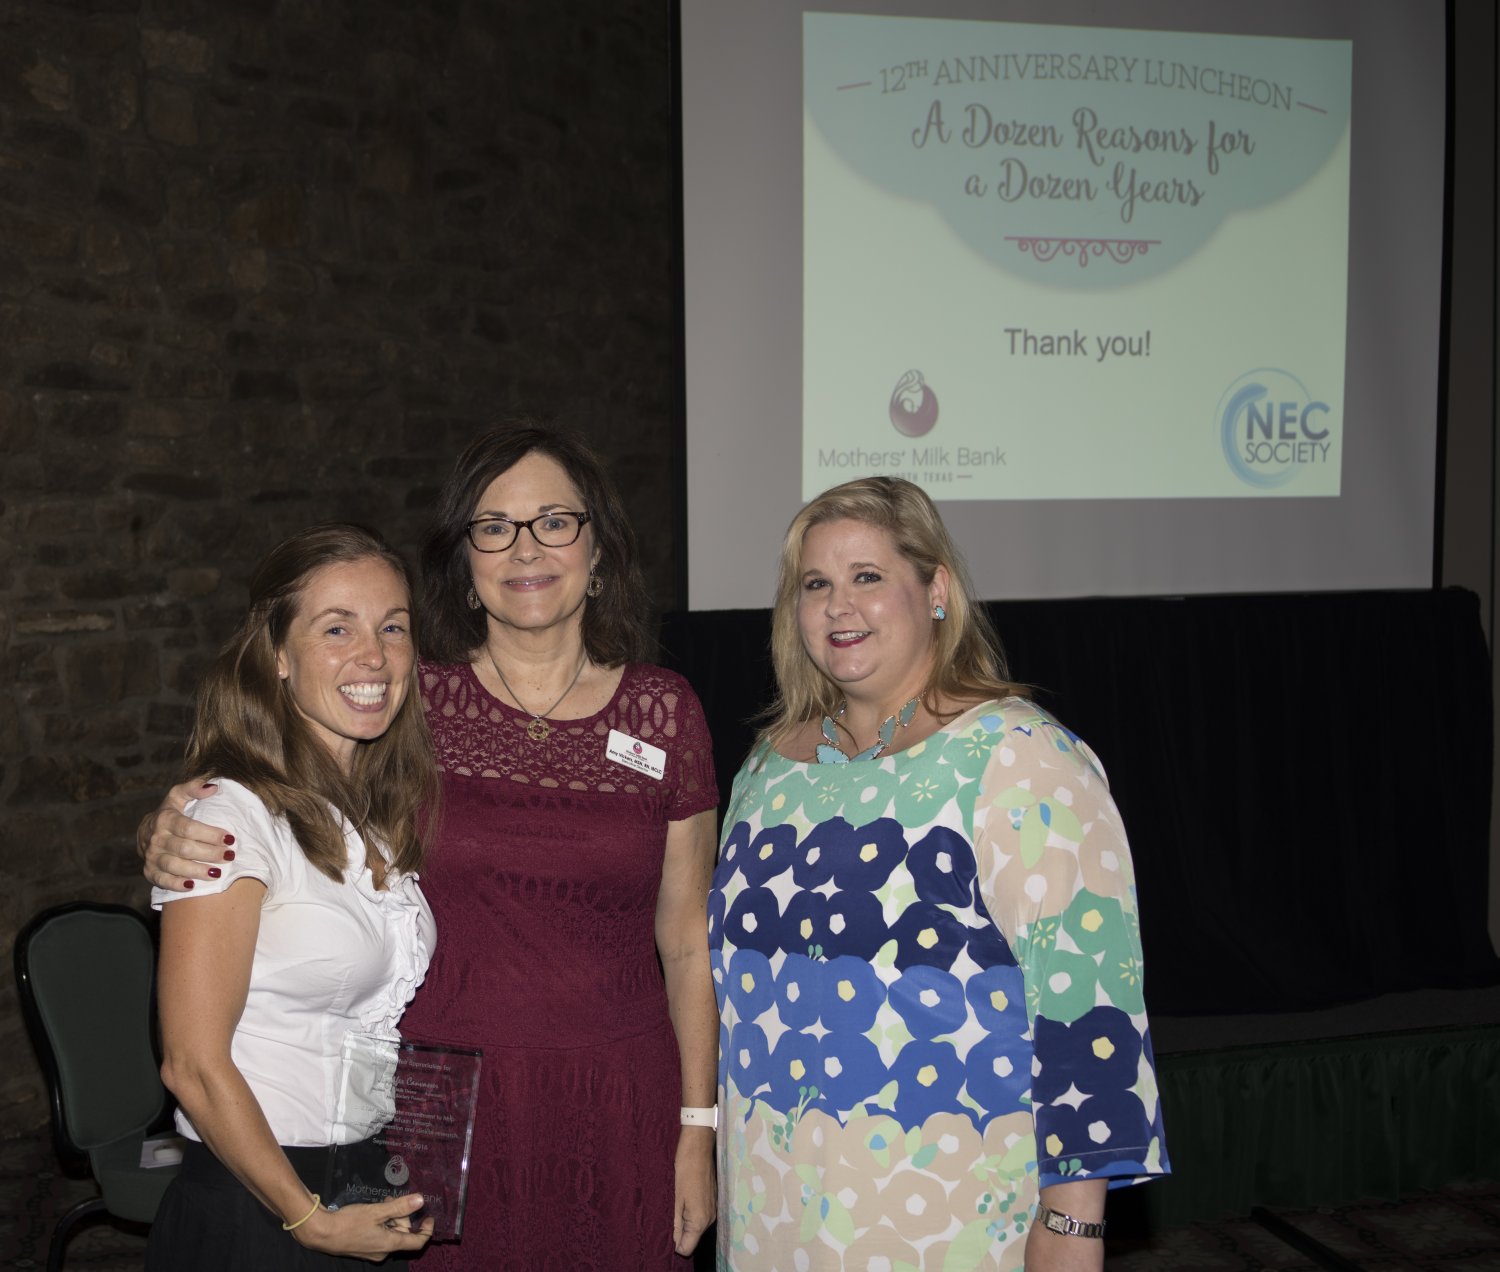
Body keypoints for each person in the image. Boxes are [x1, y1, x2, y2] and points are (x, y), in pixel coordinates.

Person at [141, 426, 720, 1270]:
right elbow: (286, 775)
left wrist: (697, 1129)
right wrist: (170, 818)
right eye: (495, 526)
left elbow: (687, 937)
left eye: (555, 521)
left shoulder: (663, 711)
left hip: (618, 1091)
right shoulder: (415, 701)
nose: (526, 548)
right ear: (467, 560)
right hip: (442, 1103)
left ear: (598, 548)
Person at [710, 477, 1168, 1271]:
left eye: (868, 577)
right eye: (815, 584)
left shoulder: (1022, 759)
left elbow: (1089, 1007)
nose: (837, 607)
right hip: (771, 1212)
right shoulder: (767, 768)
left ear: (936, 591)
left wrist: (1073, 1228)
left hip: (944, 1217)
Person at [146, 524, 438, 1270]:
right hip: (262, 1202)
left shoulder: (371, 814)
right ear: (277, 653)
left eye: (393, 628)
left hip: (357, 1178)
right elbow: (191, 1063)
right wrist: (305, 1217)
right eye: (336, 627)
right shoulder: (230, 815)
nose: (373, 655)